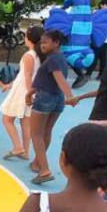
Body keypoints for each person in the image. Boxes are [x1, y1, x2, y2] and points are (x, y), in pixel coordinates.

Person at [26, 29, 79, 185]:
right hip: (57, 99)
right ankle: (37, 163)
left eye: (46, 42)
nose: (42, 45)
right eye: (41, 42)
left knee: (36, 134)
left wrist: (70, 96)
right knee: (46, 131)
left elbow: (59, 78)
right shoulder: (60, 58)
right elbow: (45, 81)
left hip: (45, 98)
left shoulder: (53, 60)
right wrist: (29, 93)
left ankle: (44, 170)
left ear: (56, 43)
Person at [0, 25, 41, 160]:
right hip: (30, 89)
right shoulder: (40, 55)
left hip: (23, 91)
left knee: (7, 119)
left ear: (29, 38)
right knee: (25, 122)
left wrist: (28, 94)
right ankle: (26, 151)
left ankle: (18, 147)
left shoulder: (29, 55)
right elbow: (25, 75)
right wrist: (11, 85)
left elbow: (27, 76)